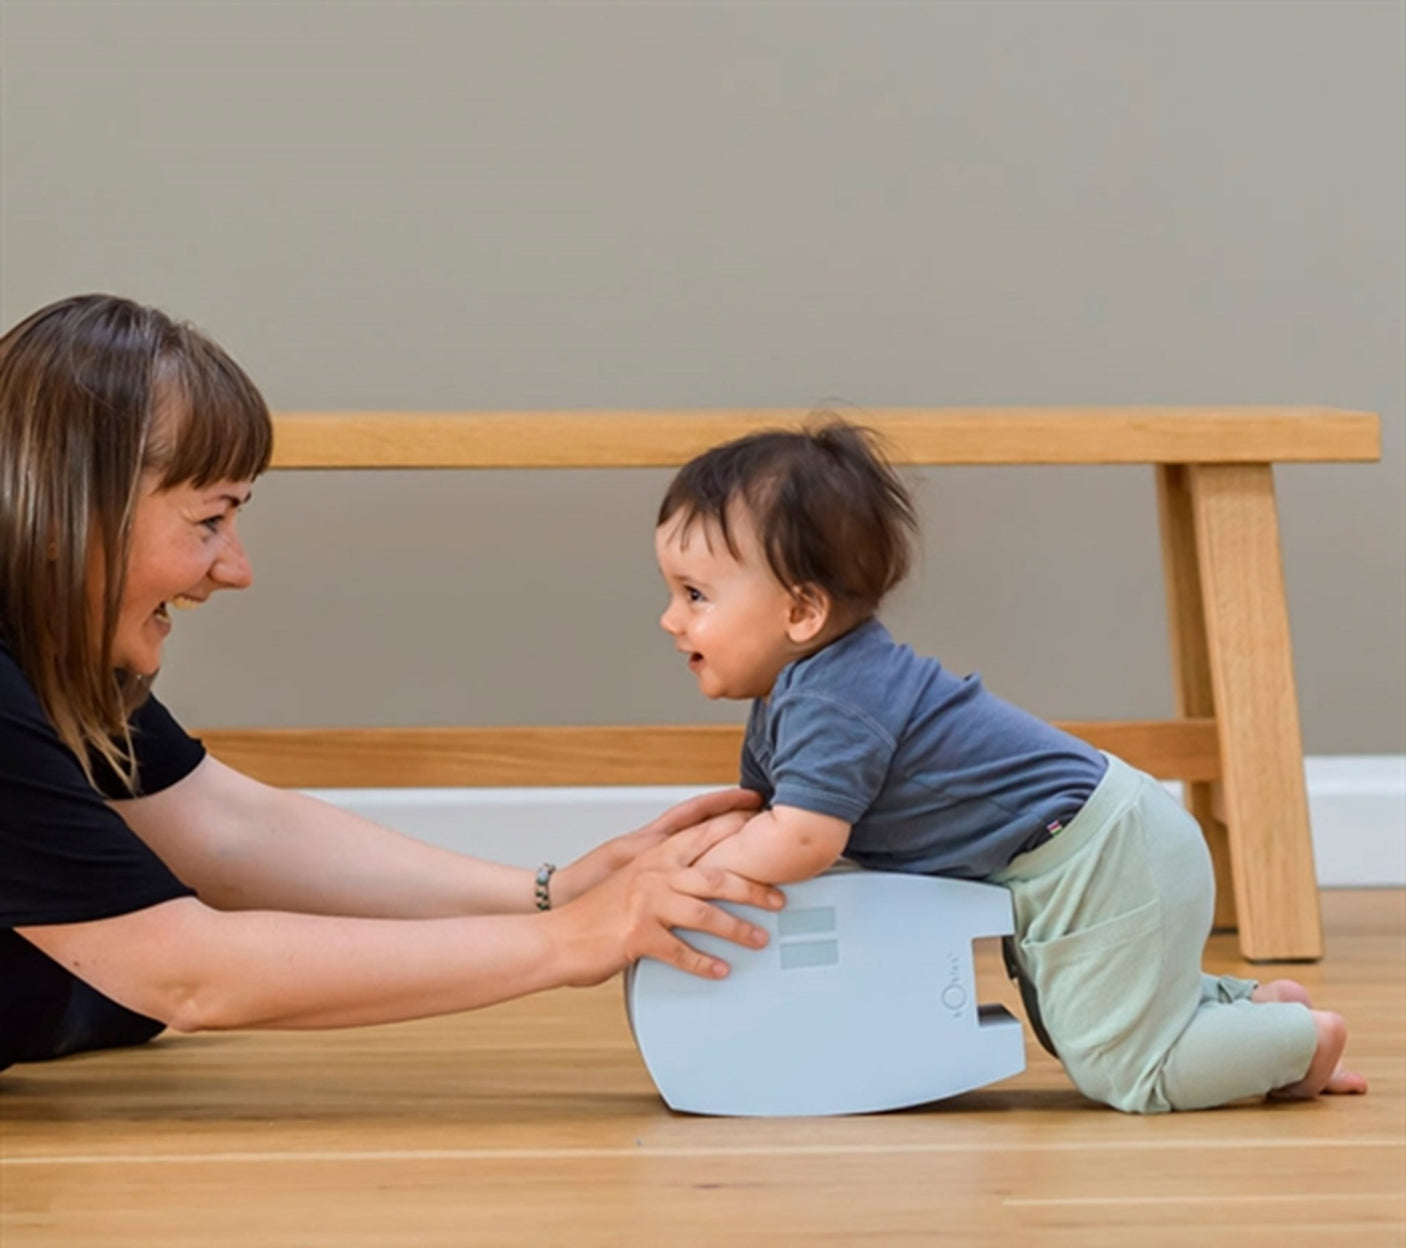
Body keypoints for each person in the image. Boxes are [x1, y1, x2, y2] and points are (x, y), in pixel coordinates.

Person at [0, 293, 780, 1075]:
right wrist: (573, 938)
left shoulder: (51, 646)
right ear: (75, 515)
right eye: (210, 520)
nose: (236, 569)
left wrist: (555, 892)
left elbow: (225, 831)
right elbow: (183, 972)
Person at [652, 420, 1367, 1114]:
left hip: (1103, 858)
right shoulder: (798, 692)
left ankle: (1300, 1044)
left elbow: (802, 839)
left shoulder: (833, 699)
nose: (670, 619)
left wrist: (692, 874)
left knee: (1125, 1070)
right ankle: (1247, 1015)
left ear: (802, 610)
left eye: (695, 595)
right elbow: (765, 814)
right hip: (1086, 851)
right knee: (1071, 1022)